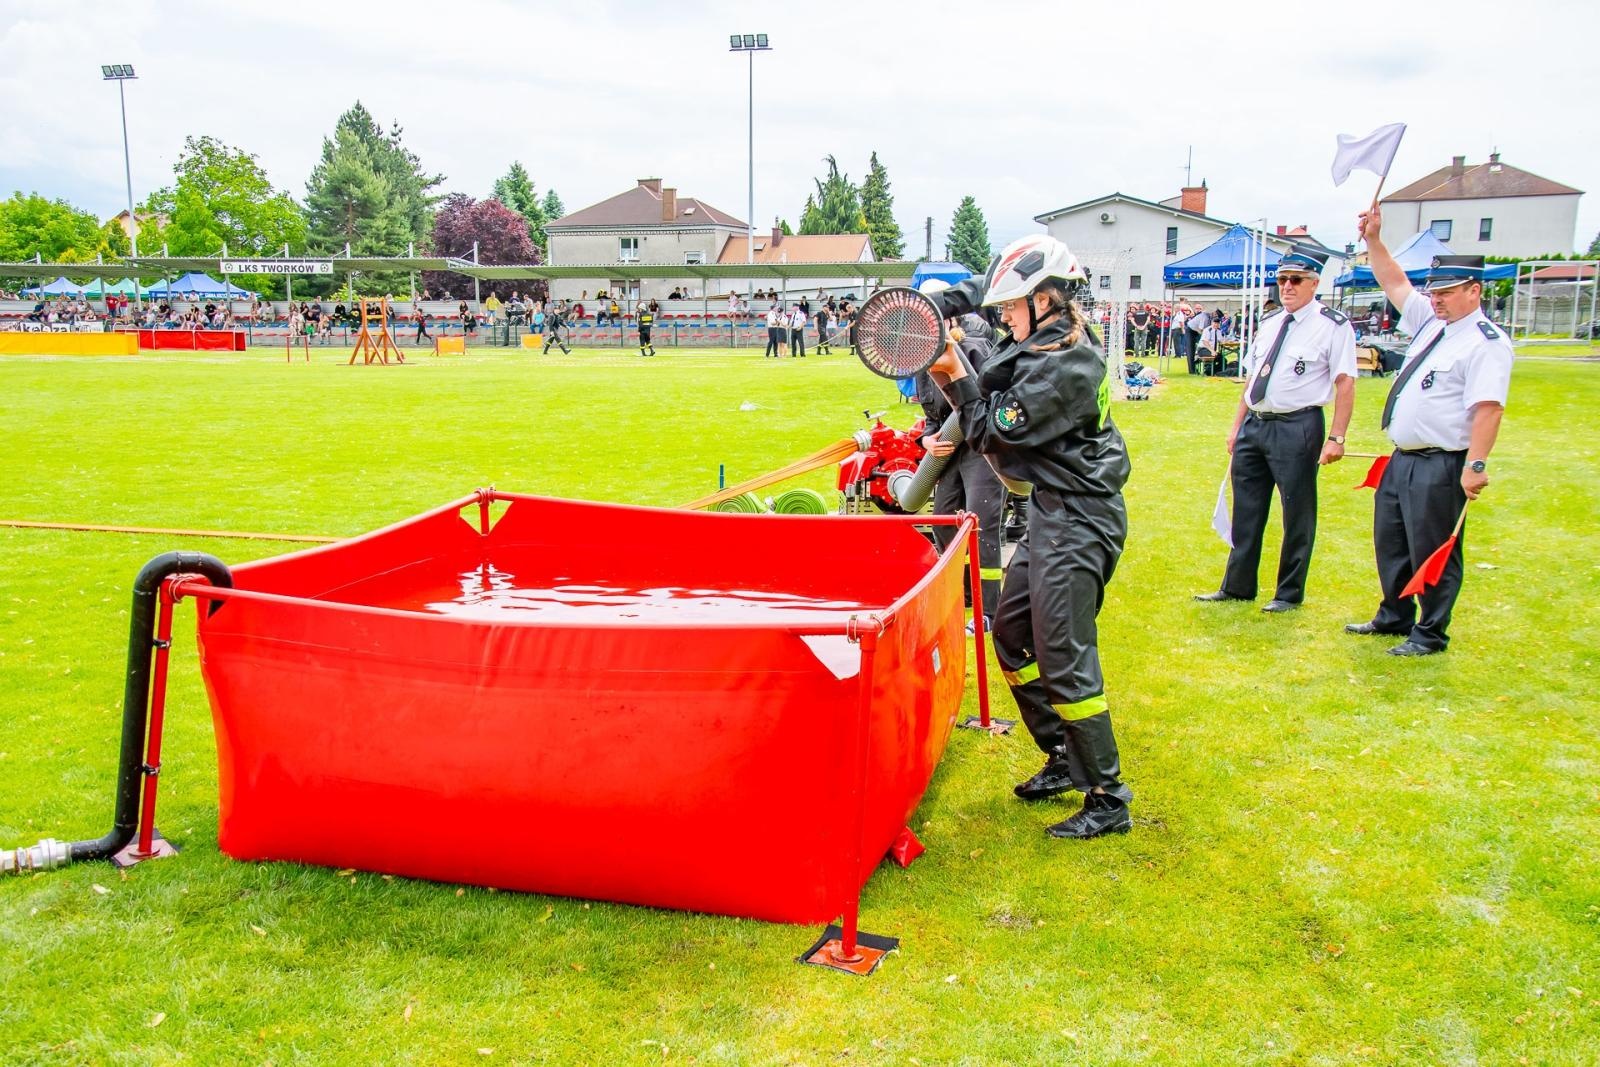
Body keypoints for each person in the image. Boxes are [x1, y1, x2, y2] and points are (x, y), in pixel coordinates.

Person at [925, 234, 1134, 840]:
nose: (1004, 318)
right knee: (1013, 634)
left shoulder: (1065, 365)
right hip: (1052, 511)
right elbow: (988, 316)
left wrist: (953, 374)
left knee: (1064, 655)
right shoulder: (1043, 341)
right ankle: (1063, 755)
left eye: (1012, 307)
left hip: (1081, 519)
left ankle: (1107, 797)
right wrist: (940, 309)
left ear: (1045, 300)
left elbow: (992, 430)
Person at [1347, 207, 1512, 656]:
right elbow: (1394, 282)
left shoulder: (1485, 342)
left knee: (1434, 547)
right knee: (1392, 541)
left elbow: (1489, 408)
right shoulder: (1432, 323)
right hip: (1403, 458)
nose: (1436, 299)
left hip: (1441, 461)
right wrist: (1374, 241)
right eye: (1434, 291)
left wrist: (1476, 464)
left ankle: (1430, 631)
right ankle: (1394, 615)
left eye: (1447, 292)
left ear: (1474, 291)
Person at [1194, 248, 1356, 613]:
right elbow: (1252, 379)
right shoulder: (1270, 323)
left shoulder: (1332, 325)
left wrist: (1337, 437)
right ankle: (1237, 585)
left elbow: (1345, 382)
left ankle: (1288, 593)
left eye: (1296, 280)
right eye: (1282, 280)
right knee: (1247, 508)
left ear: (1314, 283)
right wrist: (1236, 426)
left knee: (1297, 511)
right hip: (1256, 423)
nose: (1287, 287)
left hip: (1297, 425)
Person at [914, 279, 1005, 627]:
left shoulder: (975, 346)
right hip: (949, 450)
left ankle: (989, 612)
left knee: (982, 525)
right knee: (943, 520)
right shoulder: (924, 356)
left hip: (981, 449)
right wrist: (927, 440)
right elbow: (931, 416)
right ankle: (961, 594)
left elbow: (988, 399)